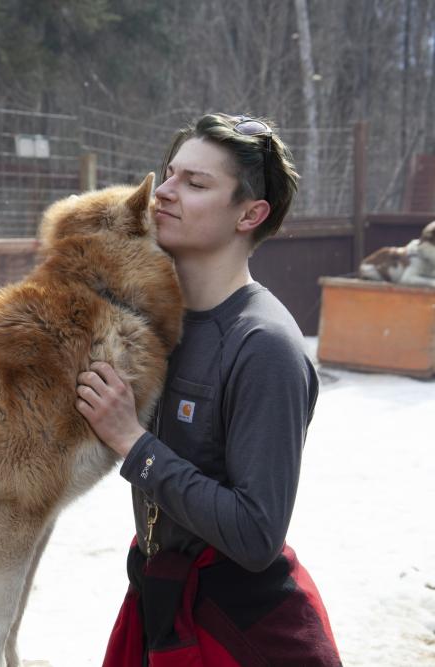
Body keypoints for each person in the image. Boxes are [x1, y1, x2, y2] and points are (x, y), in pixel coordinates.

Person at [75, 113, 342, 666]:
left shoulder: (265, 345)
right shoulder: (149, 322)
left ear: (251, 213)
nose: (163, 193)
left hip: (240, 632)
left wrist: (133, 442)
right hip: (159, 598)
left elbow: (254, 534)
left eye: (195, 184)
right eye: (169, 174)